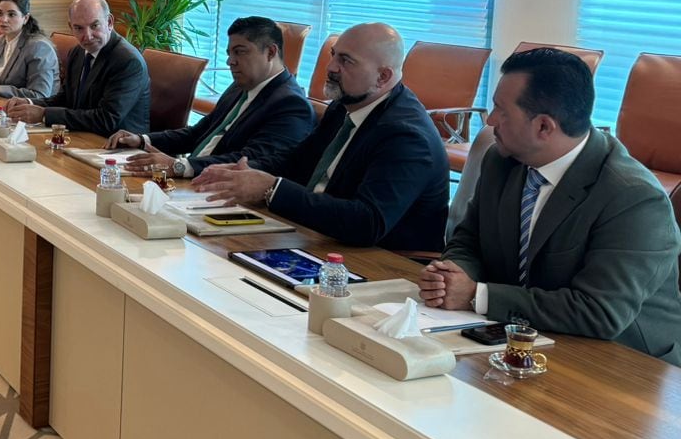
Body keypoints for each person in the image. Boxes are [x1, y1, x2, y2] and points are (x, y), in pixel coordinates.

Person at [420, 48, 681, 362]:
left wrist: (477, 295)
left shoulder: (633, 198)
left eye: (501, 110)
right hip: (523, 339)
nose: (490, 120)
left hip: (623, 362)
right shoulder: (502, 160)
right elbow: (469, 239)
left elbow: (599, 312)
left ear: (544, 127)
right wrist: (451, 277)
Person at [193, 22, 448, 255]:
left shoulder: (406, 136)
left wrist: (271, 189)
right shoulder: (345, 105)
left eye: (346, 61)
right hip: (321, 239)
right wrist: (246, 174)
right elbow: (297, 162)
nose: (331, 68)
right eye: (333, 54)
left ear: (383, 77)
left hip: (386, 263)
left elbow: (367, 222)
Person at [106, 16, 312, 178]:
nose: (231, 61)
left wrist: (180, 166)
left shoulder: (291, 105)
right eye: (230, 53)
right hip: (192, 180)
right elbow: (199, 133)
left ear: (271, 52)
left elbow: (250, 162)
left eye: (240, 52)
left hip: (225, 196)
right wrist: (142, 140)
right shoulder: (239, 87)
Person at [6, 0, 149, 136]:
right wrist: (30, 103)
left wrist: (44, 114)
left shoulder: (127, 61)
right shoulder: (78, 52)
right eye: (79, 28)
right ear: (71, 27)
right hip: (83, 136)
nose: (87, 36)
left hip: (119, 147)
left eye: (95, 25)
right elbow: (66, 99)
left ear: (110, 22)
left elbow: (107, 119)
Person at [0, 0, 59, 101]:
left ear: (25, 18)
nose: (3, 19)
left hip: (32, 112)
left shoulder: (39, 47)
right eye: (0, 13)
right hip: (2, 104)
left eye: (11, 14)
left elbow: (40, 95)